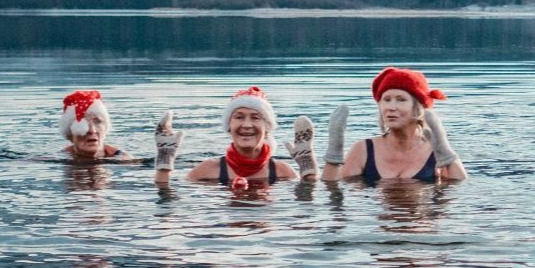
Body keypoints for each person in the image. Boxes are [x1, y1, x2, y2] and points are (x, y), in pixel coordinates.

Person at [320, 66, 467, 182]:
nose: (391, 107)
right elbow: (332, 187)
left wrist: (444, 150)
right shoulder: (364, 149)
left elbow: (459, 187)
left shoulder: (435, 152)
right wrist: (335, 150)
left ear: (418, 107)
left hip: (421, 217)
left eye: (401, 99)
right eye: (386, 99)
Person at [154, 86, 300, 189]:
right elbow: (167, 196)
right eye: (239, 117)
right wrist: (164, 165)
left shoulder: (282, 171)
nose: (247, 125)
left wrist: (309, 169)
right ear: (229, 126)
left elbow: (306, 204)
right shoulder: (207, 169)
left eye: (255, 118)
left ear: (267, 128)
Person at [60, 90, 132, 162]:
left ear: (105, 128)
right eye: (82, 124)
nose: (92, 130)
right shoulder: (58, 159)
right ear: (69, 134)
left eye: (98, 122)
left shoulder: (124, 160)